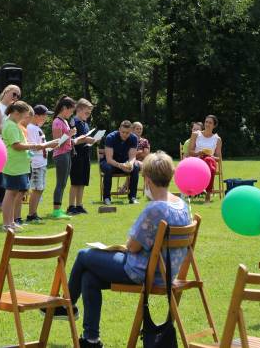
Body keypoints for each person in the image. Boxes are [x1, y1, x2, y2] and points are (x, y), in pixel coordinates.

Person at [57, 151, 191, 347]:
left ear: (147, 179)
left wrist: (123, 246)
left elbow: (133, 247)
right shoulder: (180, 204)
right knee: (89, 277)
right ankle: (90, 340)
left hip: (143, 272)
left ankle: (66, 304)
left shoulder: (155, 209)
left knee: (84, 255)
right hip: (166, 273)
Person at [0, 101, 47, 232]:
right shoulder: (11, 126)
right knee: (10, 194)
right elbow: (16, 145)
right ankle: (6, 224)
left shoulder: (14, 125)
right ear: (15, 113)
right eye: (23, 116)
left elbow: (21, 144)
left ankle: (11, 222)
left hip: (19, 165)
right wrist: (35, 146)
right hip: (13, 166)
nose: (24, 119)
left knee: (14, 194)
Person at [26, 105, 58, 222]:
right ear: (36, 116)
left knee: (40, 188)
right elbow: (33, 147)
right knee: (36, 189)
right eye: (44, 115)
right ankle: (31, 214)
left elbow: (42, 145)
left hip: (42, 162)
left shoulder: (36, 128)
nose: (46, 118)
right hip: (36, 163)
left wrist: (52, 145)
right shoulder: (31, 128)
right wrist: (50, 144)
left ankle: (34, 212)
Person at [100, 121, 139, 205]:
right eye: (123, 132)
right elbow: (109, 159)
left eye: (127, 133)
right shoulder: (110, 137)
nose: (125, 134)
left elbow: (132, 157)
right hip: (110, 163)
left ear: (131, 131)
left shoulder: (134, 138)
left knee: (135, 167)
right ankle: (107, 198)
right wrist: (120, 165)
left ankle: (132, 197)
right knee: (108, 168)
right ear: (119, 130)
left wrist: (131, 164)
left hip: (125, 164)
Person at [68, 99, 96, 215]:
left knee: (83, 181)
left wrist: (92, 140)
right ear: (78, 110)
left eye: (89, 113)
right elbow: (72, 141)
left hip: (85, 155)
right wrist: (85, 139)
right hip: (76, 155)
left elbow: (85, 138)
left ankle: (79, 205)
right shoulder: (73, 122)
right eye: (86, 113)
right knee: (75, 182)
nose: (88, 115)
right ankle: (71, 206)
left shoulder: (85, 124)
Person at [51, 96, 77, 219]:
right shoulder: (57, 121)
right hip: (60, 155)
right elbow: (57, 142)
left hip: (67, 153)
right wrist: (69, 134)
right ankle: (56, 211)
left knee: (63, 183)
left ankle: (59, 209)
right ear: (64, 108)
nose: (72, 113)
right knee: (60, 183)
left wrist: (71, 136)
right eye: (71, 110)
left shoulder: (65, 121)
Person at [188, 115, 222, 202]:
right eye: (206, 122)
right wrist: (198, 153)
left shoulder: (217, 139)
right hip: (197, 160)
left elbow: (218, 158)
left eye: (210, 123)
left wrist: (210, 156)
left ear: (214, 125)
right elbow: (190, 152)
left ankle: (206, 191)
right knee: (209, 164)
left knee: (209, 160)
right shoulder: (196, 135)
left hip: (210, 160)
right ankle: (208, 193)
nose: (207, 124)